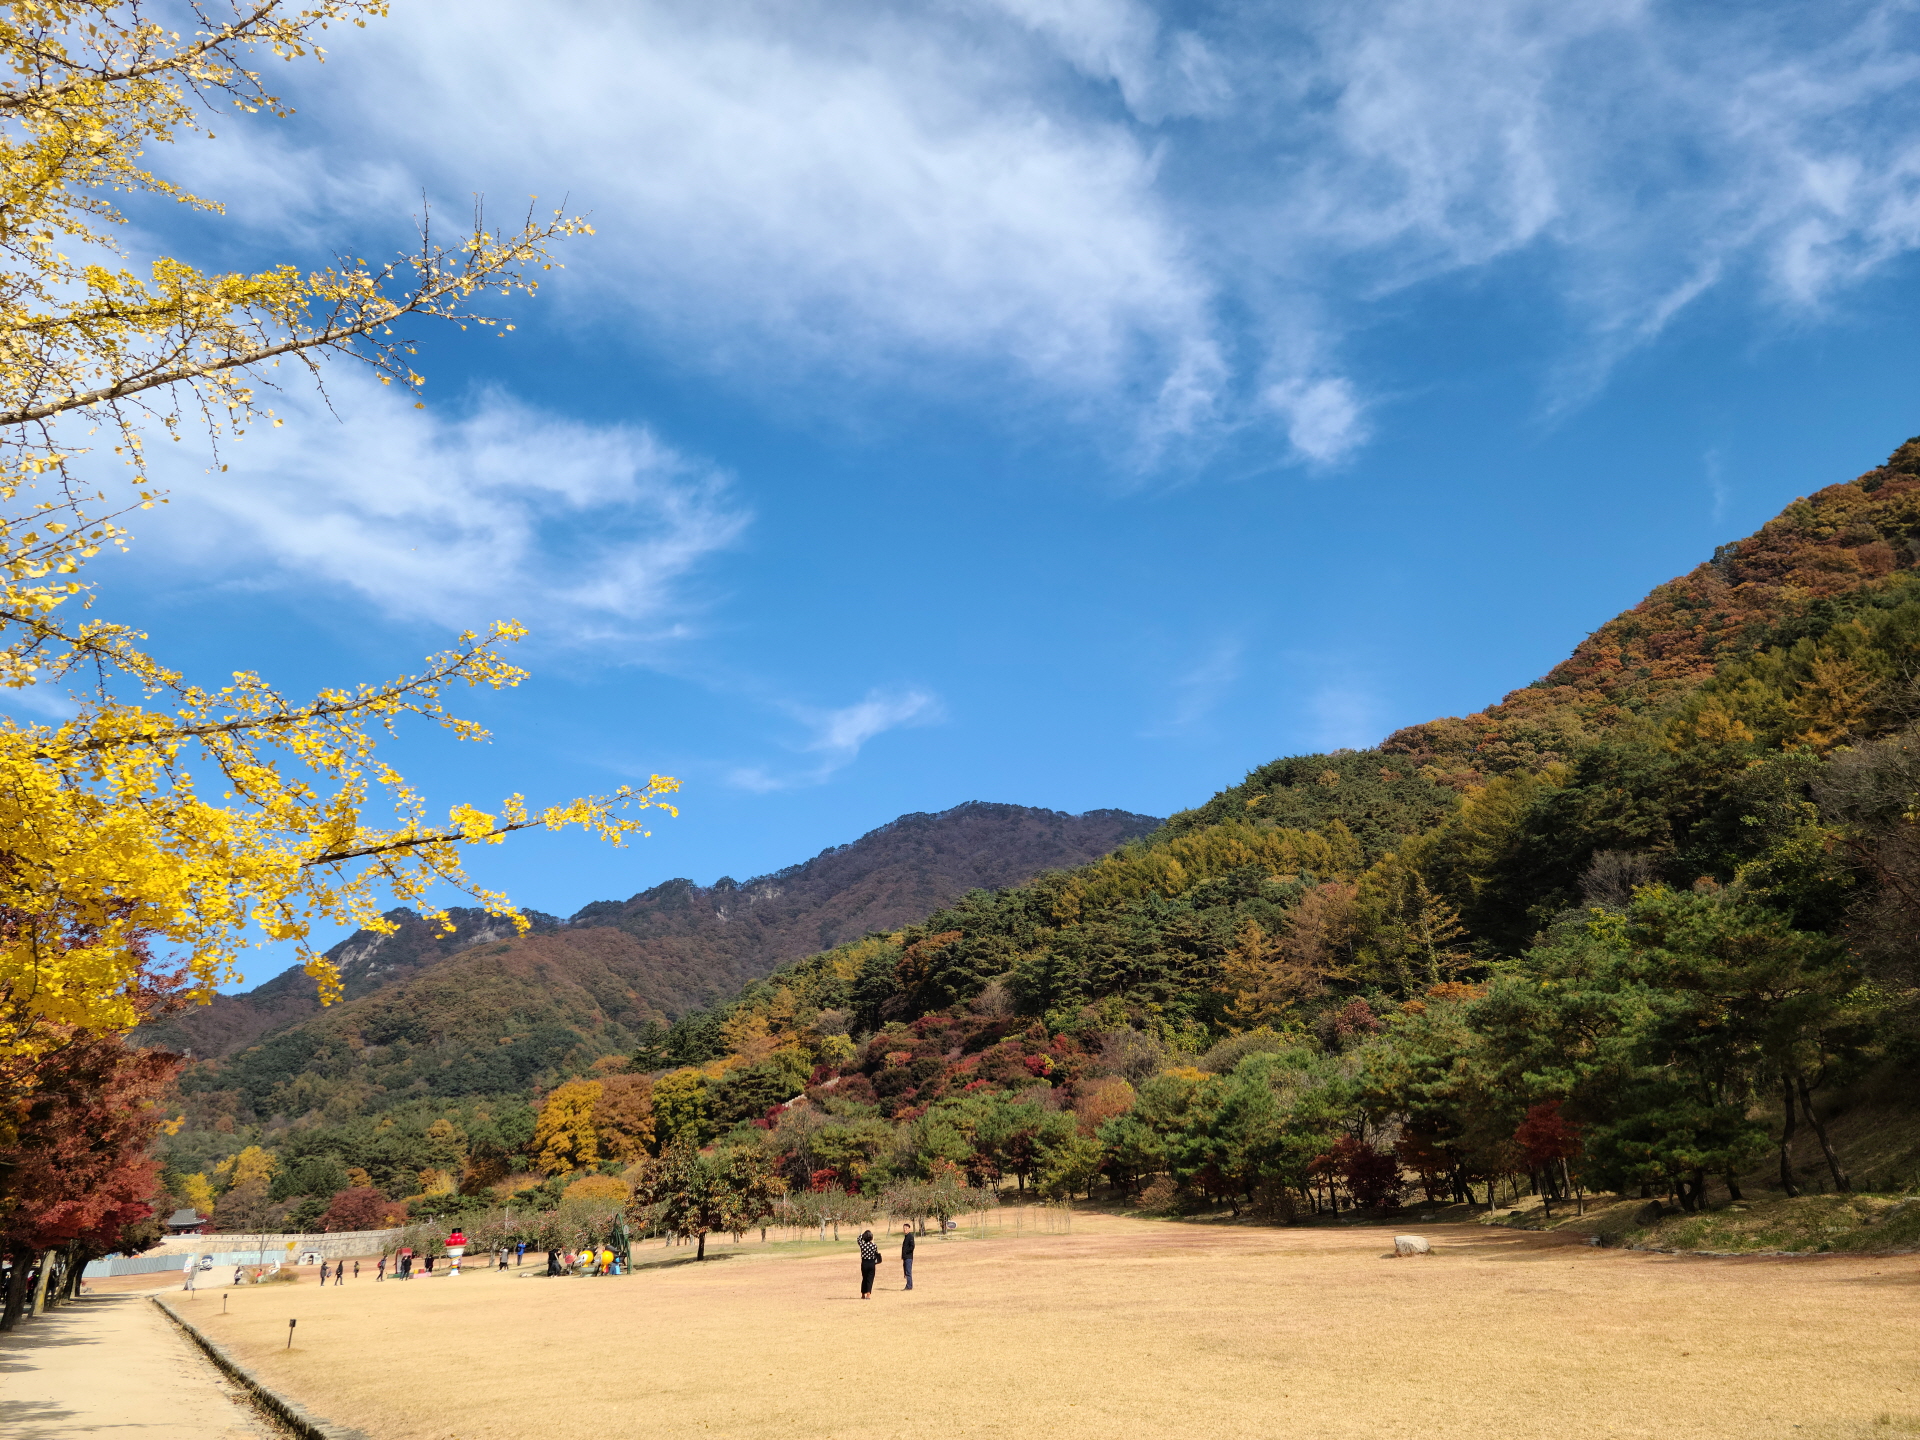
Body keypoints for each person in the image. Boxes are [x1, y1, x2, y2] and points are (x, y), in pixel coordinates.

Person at [857, 1230, 881, 1299]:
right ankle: (868, 1294)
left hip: (864, 1263)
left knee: (864, 1278)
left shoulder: (862, 1245)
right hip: (871, 1263)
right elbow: (876, 1253)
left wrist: (862, 1234)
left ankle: (863, 1294)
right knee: (870, 1279)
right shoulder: (874, 1246)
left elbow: (858, 1239)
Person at [900, 1222, 916, 1291]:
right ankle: (908, 1284)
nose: (905, 1229)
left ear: (909, 1229)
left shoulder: (910, 1237)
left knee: (908, 1272)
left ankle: (909, 1286)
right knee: (906, 1272)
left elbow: (912, 1246)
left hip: (908, 1257)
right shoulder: (906, 1237)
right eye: (904, 1228)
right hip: (905, 1257)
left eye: (906, 1228)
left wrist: (906, 1252)